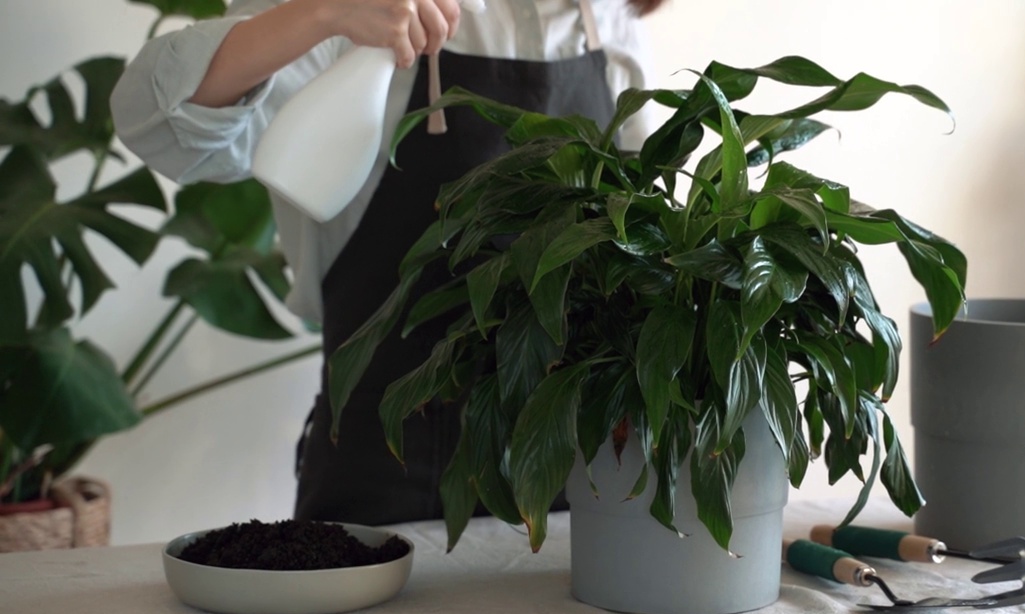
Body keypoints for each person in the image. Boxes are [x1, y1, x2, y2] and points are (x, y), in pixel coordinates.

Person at [111, 0, 666, 526]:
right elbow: (157, 119)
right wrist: (325, 12)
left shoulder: (604, 13)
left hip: (578, 478)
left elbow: (640, 236)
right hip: (386, 473)